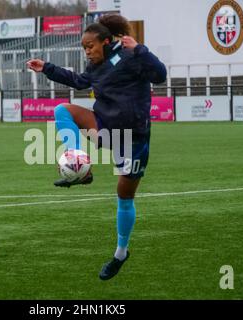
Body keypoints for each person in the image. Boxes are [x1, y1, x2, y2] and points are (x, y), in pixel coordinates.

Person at [27, 14, 166, 280]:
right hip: (104, 127)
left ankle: (120, 253)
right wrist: (46, 67)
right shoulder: (95, 68)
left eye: (90, 46)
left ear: (105, 41)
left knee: (124, 197)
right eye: (83, 48)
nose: (87, 51)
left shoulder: (130, 56)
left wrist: (139, 48)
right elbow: (78, 81)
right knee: (62, 111)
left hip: (132, 138)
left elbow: (160, 75)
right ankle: (81, 166)